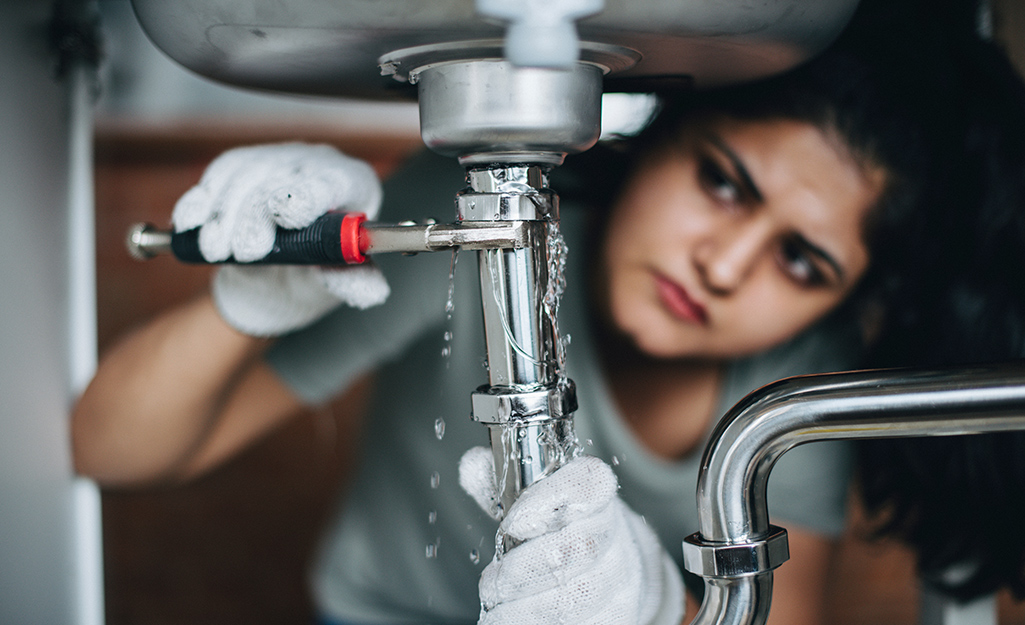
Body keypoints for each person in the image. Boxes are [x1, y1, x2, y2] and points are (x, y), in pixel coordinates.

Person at [71, 1, 1025, 623]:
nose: (723, 264)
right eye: (723, 183)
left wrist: (655, 608)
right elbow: (111, 449)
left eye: (800, 258)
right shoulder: (467, 213)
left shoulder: (796, 367)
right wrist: (245, 306)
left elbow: (790, 614)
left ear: (845, 295)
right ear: (652, 143)